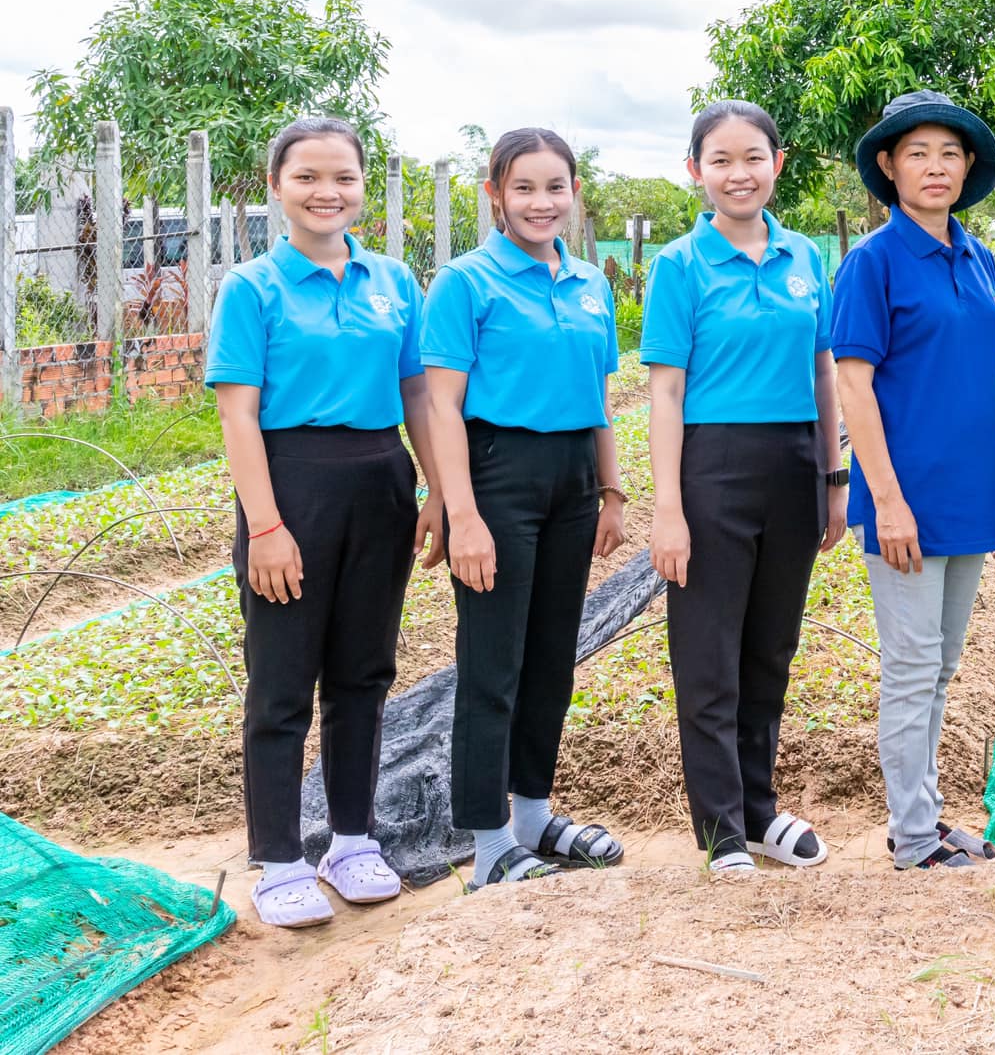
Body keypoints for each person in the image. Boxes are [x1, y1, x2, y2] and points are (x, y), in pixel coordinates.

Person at [207, 117, 441, 929]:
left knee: (362, 673)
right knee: (281, 682)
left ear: (361, 188)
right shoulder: (252, 288)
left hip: (381, 481)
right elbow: (239, 416)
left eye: (342, 177)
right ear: (277, 187)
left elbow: (417, 394)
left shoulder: (392, 281)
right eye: (307, 176)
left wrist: (438, 493)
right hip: (290, 485)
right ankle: (277, 858)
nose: (326, 192)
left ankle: (351, 839)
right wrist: (265, 526)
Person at [422, 128, 629, 887]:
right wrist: (462, 515)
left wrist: (610, 490)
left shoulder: (590, 285)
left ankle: (535, 816)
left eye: (556, 188)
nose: (542, 203)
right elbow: (443, 407)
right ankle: (486, 846)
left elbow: (600, 397)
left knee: (550, 658)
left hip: (573, 477)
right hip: (497, 471)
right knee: (492, 665)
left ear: (573, 193)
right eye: (524, 189)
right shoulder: (465, 284)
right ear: (495, 195)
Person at [643, 101, 845, 873]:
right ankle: (721, 826)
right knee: (708, 655)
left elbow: (823, 372)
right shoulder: (679, 266)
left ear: (777, 164)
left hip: (793, 463)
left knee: (770, 651)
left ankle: (759, 809)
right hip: (711, 467)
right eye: (720, 161)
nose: (739, 174)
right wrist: (669, 509)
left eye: (752, 157)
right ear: (695, 172)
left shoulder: (803, 258)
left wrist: (832, 479)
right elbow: (665, 391)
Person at [834, 90, 995, 871]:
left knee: (941, 667)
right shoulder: (871, 264)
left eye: (949, 154)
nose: (935, 167)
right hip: (902, 503)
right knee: (911, 670)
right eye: (917, 154)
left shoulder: (975, 259)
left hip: (970, 498)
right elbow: (853, 384)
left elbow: (990, 383)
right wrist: (888, 499)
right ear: (888, 166)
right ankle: (913, 839)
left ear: (968, 167)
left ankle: (927, 817)